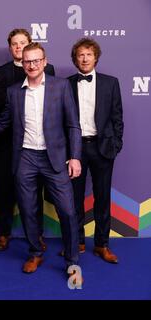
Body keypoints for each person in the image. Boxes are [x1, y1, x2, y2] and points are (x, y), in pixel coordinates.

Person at [0, 43, 82, 281]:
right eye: (26, 61)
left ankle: (72, 261)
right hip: (26, 158)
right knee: (29, 210)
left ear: (44, 62)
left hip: (55, 159)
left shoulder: (61, 86)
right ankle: (35, 251)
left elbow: (73, 124)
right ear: (22, 63)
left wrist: (75, 157)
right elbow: (3, 122)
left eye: (36, 60)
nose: (31, 65)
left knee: (68, 211)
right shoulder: (13, 91)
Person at [0, 28, 55, 251]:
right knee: (4, 190)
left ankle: (37, 235)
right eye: (14, 43)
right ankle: (3, 233)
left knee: (36, 193)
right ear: (10, 47)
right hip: (7, 143)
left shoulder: (48, 70)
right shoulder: (0, 73)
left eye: (22, 42)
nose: (18, 47)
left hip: (39, 144)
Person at [68, 38, 123, 263]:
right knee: (74, 198)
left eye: (88, 54)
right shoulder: (66, 83)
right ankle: (76, 242)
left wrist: (115, 144)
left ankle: (102, 244)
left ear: (96, 57)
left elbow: (117, 117)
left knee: (102, 198)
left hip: (102, 148)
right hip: (75, 149)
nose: (84, 58)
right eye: (80, 55)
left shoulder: (111, 83)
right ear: (75, 59)